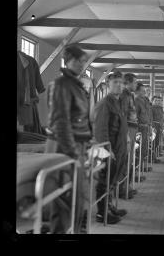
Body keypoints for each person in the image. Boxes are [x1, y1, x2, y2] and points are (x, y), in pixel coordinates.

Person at [46, 45, 91, 233]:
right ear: (69, 60)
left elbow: (82, 119)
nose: (83, 65)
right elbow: (60, 122)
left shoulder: (76, 85)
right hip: (64, 147)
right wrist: (72, 152)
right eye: (80, 61)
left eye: (84, 61)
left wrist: (88, 143)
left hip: (76, 145)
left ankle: (72, 228)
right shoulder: (62, 85)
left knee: (76, 195)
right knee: (64, 196)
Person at [93, 71, 128, 224]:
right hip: (109, 150)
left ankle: (109, 206)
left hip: (118, 148)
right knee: (104, 180)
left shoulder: (118, 102)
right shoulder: (105, 103)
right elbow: (101, 130)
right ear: (108, 85)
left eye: (121, 82)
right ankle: (102, 213)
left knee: (113, 180)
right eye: (115, 83)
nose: (119, 85)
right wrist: (108, 150)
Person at [119, 73, 138, 199]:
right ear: (128, 82)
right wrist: (125, 134)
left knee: (129, 159)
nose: (136, 84)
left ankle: (127, 185)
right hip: (128, 130)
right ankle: (122, 188)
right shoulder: (124, 96)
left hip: (131, 129)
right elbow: (123, 115)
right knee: (126, 160)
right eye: (135, 82)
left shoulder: (130, 95)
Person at [135, 82, 152, 173]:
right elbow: (135, 117)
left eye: (145, 91)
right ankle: (137, 170)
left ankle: (141, 167)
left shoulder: (145, 101)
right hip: (140, 128)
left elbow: (148, 115)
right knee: (139, 150)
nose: (144, 92)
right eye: (143, 91)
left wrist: (149, 126)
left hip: (145, 127)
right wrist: (137, 130)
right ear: (137, 91)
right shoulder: (136, 101)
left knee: (144, 149)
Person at [151, 96, 163, 160]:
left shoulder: (160, 108)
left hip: (159, 126)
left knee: (157, 142)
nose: (157, 102)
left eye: (158, 101)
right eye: (155, 100)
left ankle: (154, 155)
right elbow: (151, 118)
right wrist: (153, 127)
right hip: (154, 125)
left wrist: (161, 126)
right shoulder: (151, 108)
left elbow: (161, 118)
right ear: (152, 101)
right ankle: (153, 157)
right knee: (154, 142)